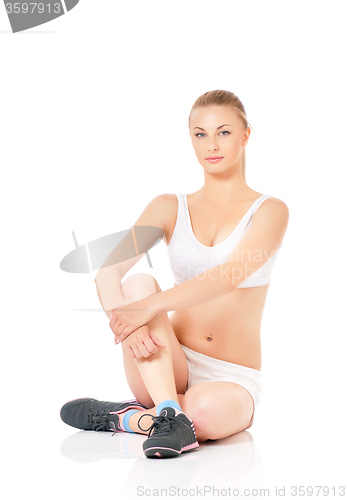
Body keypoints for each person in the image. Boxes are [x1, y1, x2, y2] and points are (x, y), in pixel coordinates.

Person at [60, 89, 289, 459]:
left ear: (246, 135)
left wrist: (146, 308)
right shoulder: (170, 206)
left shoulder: (270, 210)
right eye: (200, 134)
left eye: (224, 132)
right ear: (191, 139)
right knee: (136, 282)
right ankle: (167, 409)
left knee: (204, 413)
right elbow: (107, 272)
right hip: (164, 362)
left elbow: (229, 275)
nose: (211, 144)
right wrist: (130, 323)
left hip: (231, 374)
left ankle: (130, 418)